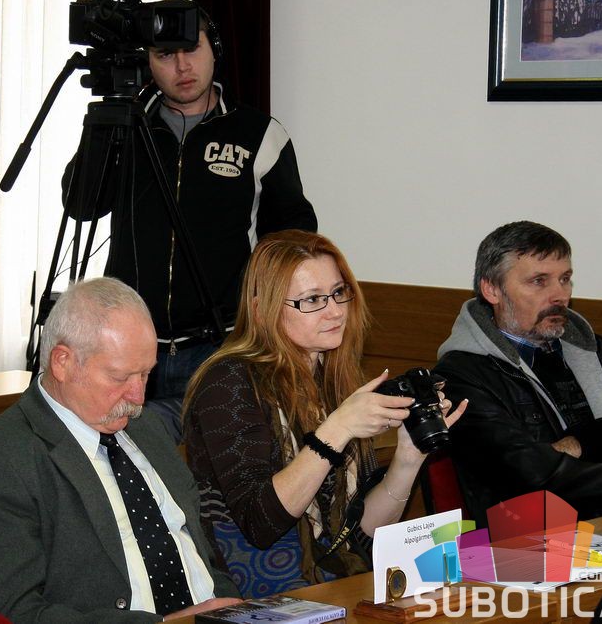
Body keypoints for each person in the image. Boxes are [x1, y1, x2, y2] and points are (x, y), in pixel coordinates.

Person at [62, 0, 317, 442]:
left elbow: (293, 241)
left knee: (211, 463)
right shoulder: (124, 125)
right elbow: (81, 205)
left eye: (191, 50)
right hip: (126, 342)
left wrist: (265, 320)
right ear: (147, 62)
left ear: (214, 49)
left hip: (220, 344)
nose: (182, 66)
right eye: (165, 55)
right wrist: (106, 123)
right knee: (116, 456)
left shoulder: (259, 134)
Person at [183, 230, 466, 597]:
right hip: (257, 594)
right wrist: (338, 428)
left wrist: (409, 458)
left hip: (333, 581)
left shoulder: (332, 377)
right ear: (262, 309)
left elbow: (360, 534)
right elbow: (260, 524)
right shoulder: (228, 381)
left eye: (338, 292)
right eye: (312, 299)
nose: (335, 311)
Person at [0, 277, 240, 622]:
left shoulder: (148, 429)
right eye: (120, 377)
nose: (138, 397)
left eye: (145, 374)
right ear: (62, 362)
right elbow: (10, 612)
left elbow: (203, 555)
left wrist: (232, 607)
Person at [434, 221, 602, 525]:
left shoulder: (594, 350)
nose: (559, 295)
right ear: (492, 290)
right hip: (524, 539)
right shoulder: (462, 374)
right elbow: (533, 476)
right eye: (539, 281)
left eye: (565, 279)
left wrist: (580, 443)